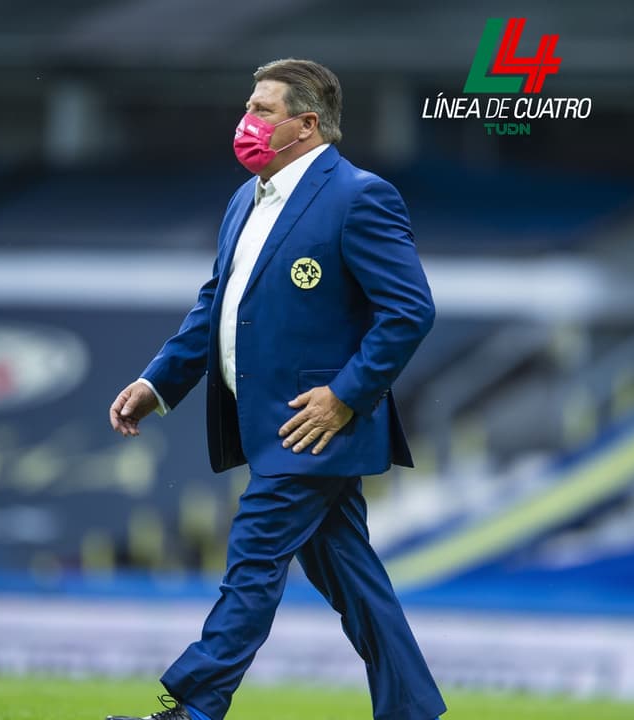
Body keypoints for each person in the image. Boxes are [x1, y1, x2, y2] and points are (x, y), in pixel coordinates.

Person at [107, 58, 446, 720]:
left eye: (262, 110)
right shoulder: (247, 198)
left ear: (306, 124)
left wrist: (344, 395)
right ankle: (412, 712)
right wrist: (159, 381)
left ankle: (196, 708)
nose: (247, 120)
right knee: (353, 579)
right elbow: (217, 305)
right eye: (248, 106)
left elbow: (410, 310)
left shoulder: (359, 196)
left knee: (253, 560)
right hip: (269, 424)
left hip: (311, 426)